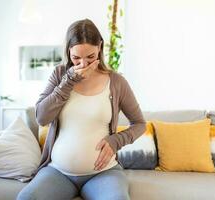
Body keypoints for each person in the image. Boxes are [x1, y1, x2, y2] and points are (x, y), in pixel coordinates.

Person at [17, 18, 146, 200]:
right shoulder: (60, 75)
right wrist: (68, 82)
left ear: (99, 47)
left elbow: (140, 124)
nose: (83, 65)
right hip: (58, 173)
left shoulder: (117, 82)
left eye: (90, 57)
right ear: (68, 51)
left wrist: (116, 140)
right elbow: (41, 118)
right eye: (76, 58)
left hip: (103, 173)